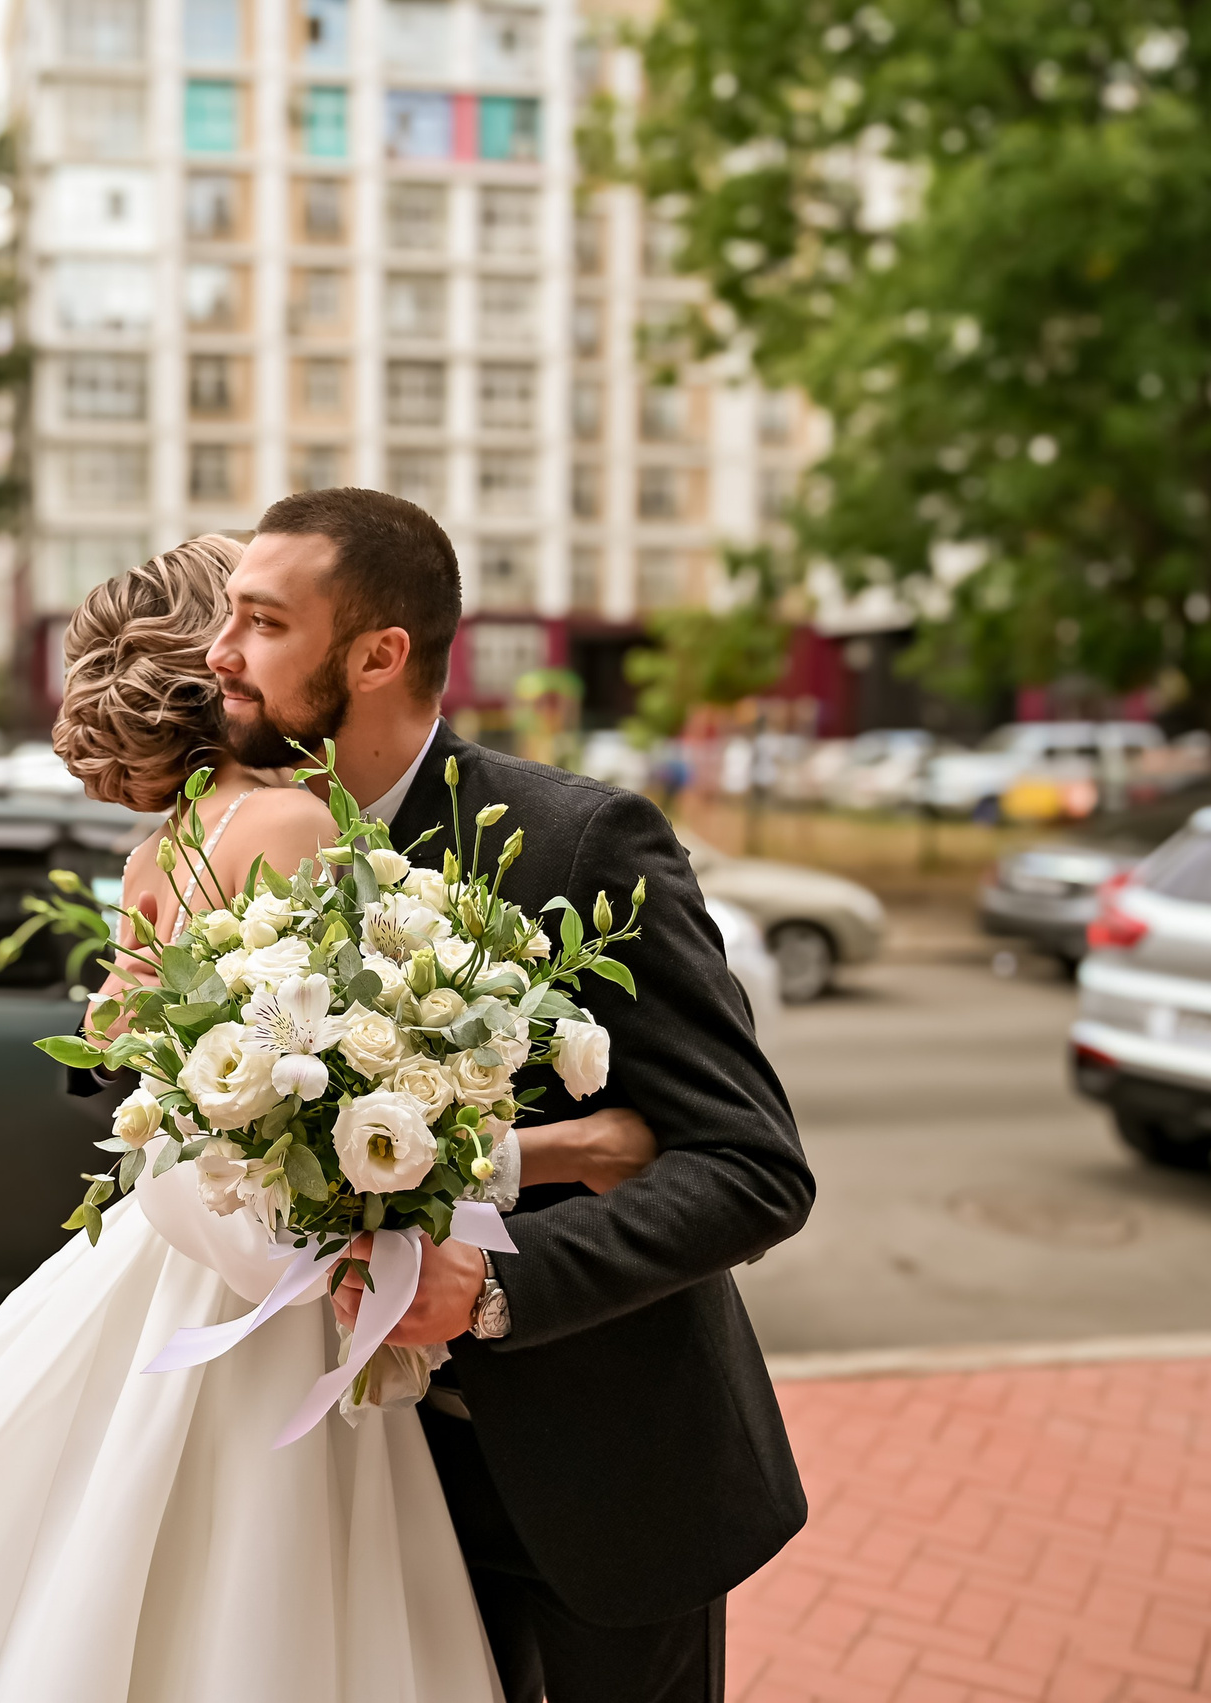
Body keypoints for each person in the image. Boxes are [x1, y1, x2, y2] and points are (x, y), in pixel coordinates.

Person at [0, 530, 672, 1703]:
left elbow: (186, 1095)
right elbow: (337, 1126)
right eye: (241, 619)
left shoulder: (160, 850)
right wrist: (562, 1146)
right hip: (257, 1292)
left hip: (160, 1264)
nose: (254, 640)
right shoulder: (291, 825)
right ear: (214, 658)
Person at [212, 488, 813, 1701]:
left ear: (379, 654)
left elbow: (751, 1168)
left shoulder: (581, 841)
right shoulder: (236, 843)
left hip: (604, 1485)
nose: (221, 651)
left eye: (262, 622)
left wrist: (493, 1286)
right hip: (361, 1494)